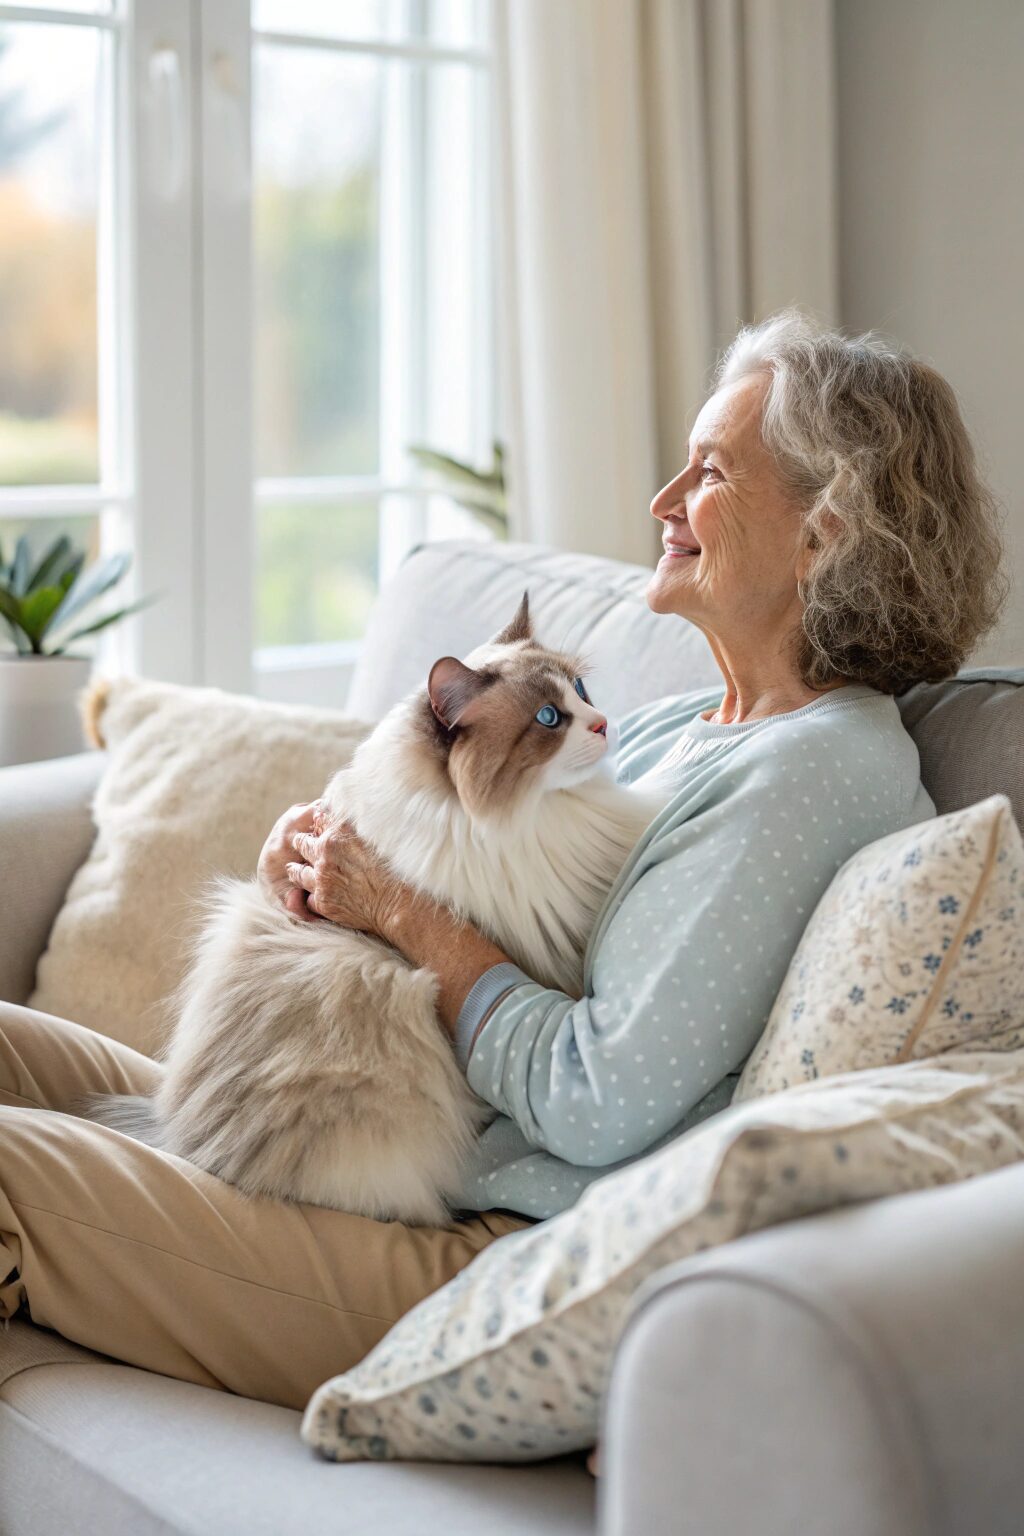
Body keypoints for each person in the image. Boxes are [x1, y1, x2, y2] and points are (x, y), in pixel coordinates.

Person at [0, 312, 1005, 1410]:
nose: (663, 503)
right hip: (385, 1143)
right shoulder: (681, 726)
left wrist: (398, 913)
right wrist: (318, 875)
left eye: (708, 471)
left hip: (479, 1243)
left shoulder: (814, 772)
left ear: (826, 532)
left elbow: (596, 1101)